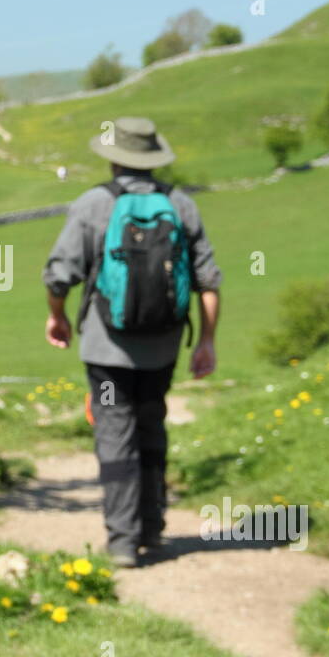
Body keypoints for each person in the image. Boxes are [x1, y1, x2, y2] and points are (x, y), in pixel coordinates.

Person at [42, 117, 222, 567]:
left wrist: (57, 318)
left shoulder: (92, 205)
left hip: (107, 352)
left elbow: (59, 276)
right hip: (162, 348)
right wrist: (207, 342)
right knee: (151, 428)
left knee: (114, 434)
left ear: (113, 157)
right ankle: (153, 529)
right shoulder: (180, 204)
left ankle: (123, 541)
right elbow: (208, 281)